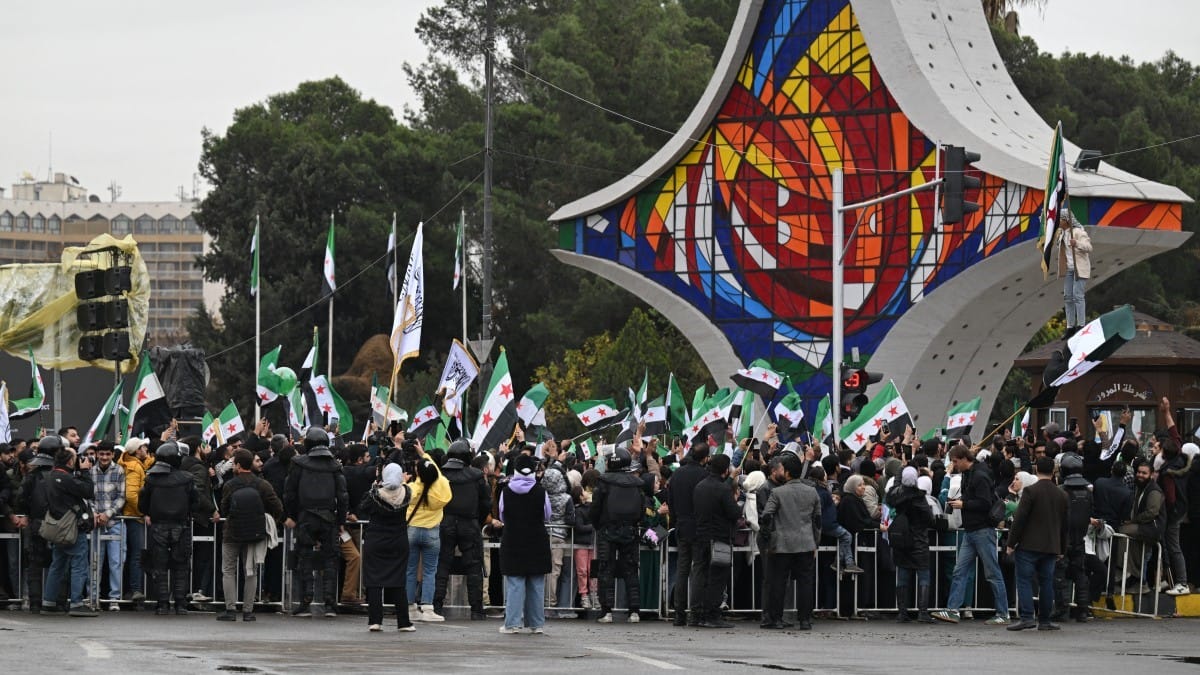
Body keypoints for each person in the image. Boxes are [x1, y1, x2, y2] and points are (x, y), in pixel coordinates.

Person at [932, 445, 1010, 625]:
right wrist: (963, 503)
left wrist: (963, 504)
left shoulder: (979, 475)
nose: (954, 464)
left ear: (963, 458)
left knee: (991, 573)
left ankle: (1003, 613)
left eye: (955, 461)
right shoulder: (972, 473)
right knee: (960, 571)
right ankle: (953, 610)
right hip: (972, 530)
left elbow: (985, 503)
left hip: (982, 530)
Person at [284, 427, 349, 618]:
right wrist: (341, 520)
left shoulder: (298, 464)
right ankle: (329, 603)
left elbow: (289, 493)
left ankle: (305, 601)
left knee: (305, 557)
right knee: (330, 558)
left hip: (305, 517)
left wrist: (292, 515)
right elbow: (343, 496)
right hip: (328, 516)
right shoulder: (335, 466)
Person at [217, 449, 284, 621]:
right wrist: (267, 521)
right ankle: (248, 611)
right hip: (254, 534)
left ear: (238, 465)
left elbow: (224, 508)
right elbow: (278, 507)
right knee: (251, 571)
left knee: (228, 571)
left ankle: (230, 610)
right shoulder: (262, 484)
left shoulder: (230, 485)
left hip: (231, 533)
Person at [1006, 457, 1068, 631]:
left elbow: (1020, 519)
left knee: (1024, 580)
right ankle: (1045, 620)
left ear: (1036, 470)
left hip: (1028, 545)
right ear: (1054, 472)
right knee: (1046, 582)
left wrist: (1011, 543)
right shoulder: (1061, 494)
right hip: (1051, 546)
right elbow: (1065, 525)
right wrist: (1062, 548)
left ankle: (1027, 617)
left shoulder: (1030, 492)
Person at [759, 453, 820, 630]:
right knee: (805, 582)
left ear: (786, 472)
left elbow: (766, 516)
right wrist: (815, 542)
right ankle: (805, 620)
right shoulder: (812, 491)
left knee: (778, 582)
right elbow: (817, 520)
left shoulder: (777, 492)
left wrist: (768, 539)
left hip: (782, 544)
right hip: (806, 542)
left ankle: (776, 618)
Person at [140, 440, 201, 615]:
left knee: (159, 567)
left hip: (158, 527)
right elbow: (195, 503)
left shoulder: (151, 479)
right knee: (181, 566)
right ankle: (180, 604)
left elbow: (142, 505)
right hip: (180, 526)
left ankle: (162, 604)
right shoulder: (187, 479)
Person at [433, 439, 491, 620]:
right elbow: (486, 503)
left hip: (445, 522)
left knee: (442, 564)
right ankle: (476, 609)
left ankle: (436, 606)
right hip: (469, 523)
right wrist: (477, 521)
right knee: (474, 566)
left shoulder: (440, 474)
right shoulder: (476, 475)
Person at [589, 441, 647, 623]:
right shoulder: (637, 484)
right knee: (631, 570)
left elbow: (595, 509)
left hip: (607, 530)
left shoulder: (604, 482)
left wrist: (598, 525)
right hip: (630, 530)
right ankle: (634, 611)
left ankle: (606, 611)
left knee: (606, 569)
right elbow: (642, 510)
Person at [358, 463, 416, 633]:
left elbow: (363, 507)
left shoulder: (374, 494)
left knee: (374, 581)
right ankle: (404, 622)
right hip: (398, 539)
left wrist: (375, 486)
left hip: (376, 539)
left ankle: (375, 621)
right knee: (399, 581)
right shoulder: (407, 493)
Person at [498, 454, 551, 634]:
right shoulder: (540, 491)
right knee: (536, 582)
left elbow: (502, 514)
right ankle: (536, 624)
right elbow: (547, 514)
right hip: (537, 540)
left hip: (513, 539)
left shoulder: (506, 491)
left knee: (515, 583)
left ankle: (512, 623)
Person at [41, 445, 96, 616]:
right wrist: (85, 471)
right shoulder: (65, 478)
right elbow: (87, 491)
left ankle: (48, 601)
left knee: (57, 564)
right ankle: (77, 603)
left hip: (58, 525)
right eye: (76, 457)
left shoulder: (50, 476)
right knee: (79, 564)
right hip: (72, 526)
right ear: (70, 460)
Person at [691, 453, 741, 628]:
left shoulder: (699, 487)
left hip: (701, 536)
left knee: (700, 574)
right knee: (718, 577)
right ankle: (712, 614)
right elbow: (734, 513)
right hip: (719, 538)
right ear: (725, 470)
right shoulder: (723, 489)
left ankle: (696, 614)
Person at [404, 446, 451, 622]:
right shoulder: (442, 489)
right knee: (430, 571)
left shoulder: (412, 488)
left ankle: (410, 607)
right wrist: (424, 455)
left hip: (412, 530)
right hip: (432, 532)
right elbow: (436, 473)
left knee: (410, 570)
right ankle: (428, 607)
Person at [665, 442, 709, 626]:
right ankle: (696, 613)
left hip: (682, 526)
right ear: (705, 458)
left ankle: (679, 613)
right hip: (699, 527)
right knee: (698, 569)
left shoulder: (677, 474)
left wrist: (676, 519)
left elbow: (670, 500)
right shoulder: (704, 475)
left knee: (683, 570)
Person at [888, 466, 936, 623]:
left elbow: (892, 492)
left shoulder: (896, 497)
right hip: (919, 540)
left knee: (902, 576)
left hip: (901, 540)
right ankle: (922, 612)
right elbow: (929, 519)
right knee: (923, 576)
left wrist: (898, 476)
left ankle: (902, 612)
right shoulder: (919, 498)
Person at [16, 437, 59, 613]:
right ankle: (57, 601)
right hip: (56, 523)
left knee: (34, 564)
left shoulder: (31, 476)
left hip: (36, 522)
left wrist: (25, 514)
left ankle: (35, 602)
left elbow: (21, 498)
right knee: (58, 562)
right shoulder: (60, 475)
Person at [88, 440, 126, 611]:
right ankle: (92, 597)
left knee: (116, 562)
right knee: (94, 561)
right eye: (101, 454)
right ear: (97, 454)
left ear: (112, 454)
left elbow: (122, 496)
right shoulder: (90, 471)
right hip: (95, 523)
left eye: (107, 454)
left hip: (114, 522)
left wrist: (108, 513)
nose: (104, 457)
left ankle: (114, 599)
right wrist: (95, 514)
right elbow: (86, 496)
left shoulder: (119, 470)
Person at [1055, 453, 1094, 621]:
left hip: (1063, 539)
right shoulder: (1087, 493)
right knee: (1080, 574)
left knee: (1060, 576)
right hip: (1079, 538)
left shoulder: (1061, 491)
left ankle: (1062, 610)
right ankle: (1083, 610)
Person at [117, 437, 153, 605]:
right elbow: (131, 495)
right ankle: (135, 589)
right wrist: (142, 512)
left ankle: (133, 589)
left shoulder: (134, 464)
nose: (147, 449)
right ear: (137, 450)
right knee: (136, 555)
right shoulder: (134, 467)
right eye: (144, 447)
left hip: (133, 516)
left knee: (135, 554)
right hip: (134, 517)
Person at [541, 462, 575, 618]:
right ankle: (550, 603)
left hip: (542, 534)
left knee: (541, 570)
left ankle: (539, 602)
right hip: (559, 536)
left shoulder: (541, 495)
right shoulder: (567, 498)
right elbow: (570, 519)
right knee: (555, 571)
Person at [1055, 204, 1092, 333]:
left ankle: (1081, 325)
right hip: (1069, 269)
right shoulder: (1062, 234)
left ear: (1066, 220)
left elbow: (1089, 247)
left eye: (1059, 219)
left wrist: (1077, 244)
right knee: (1067, 297)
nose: (1057, 222)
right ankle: (1070, 326)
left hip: (1079, 269)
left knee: (1078, 296)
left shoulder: (1078, 232)